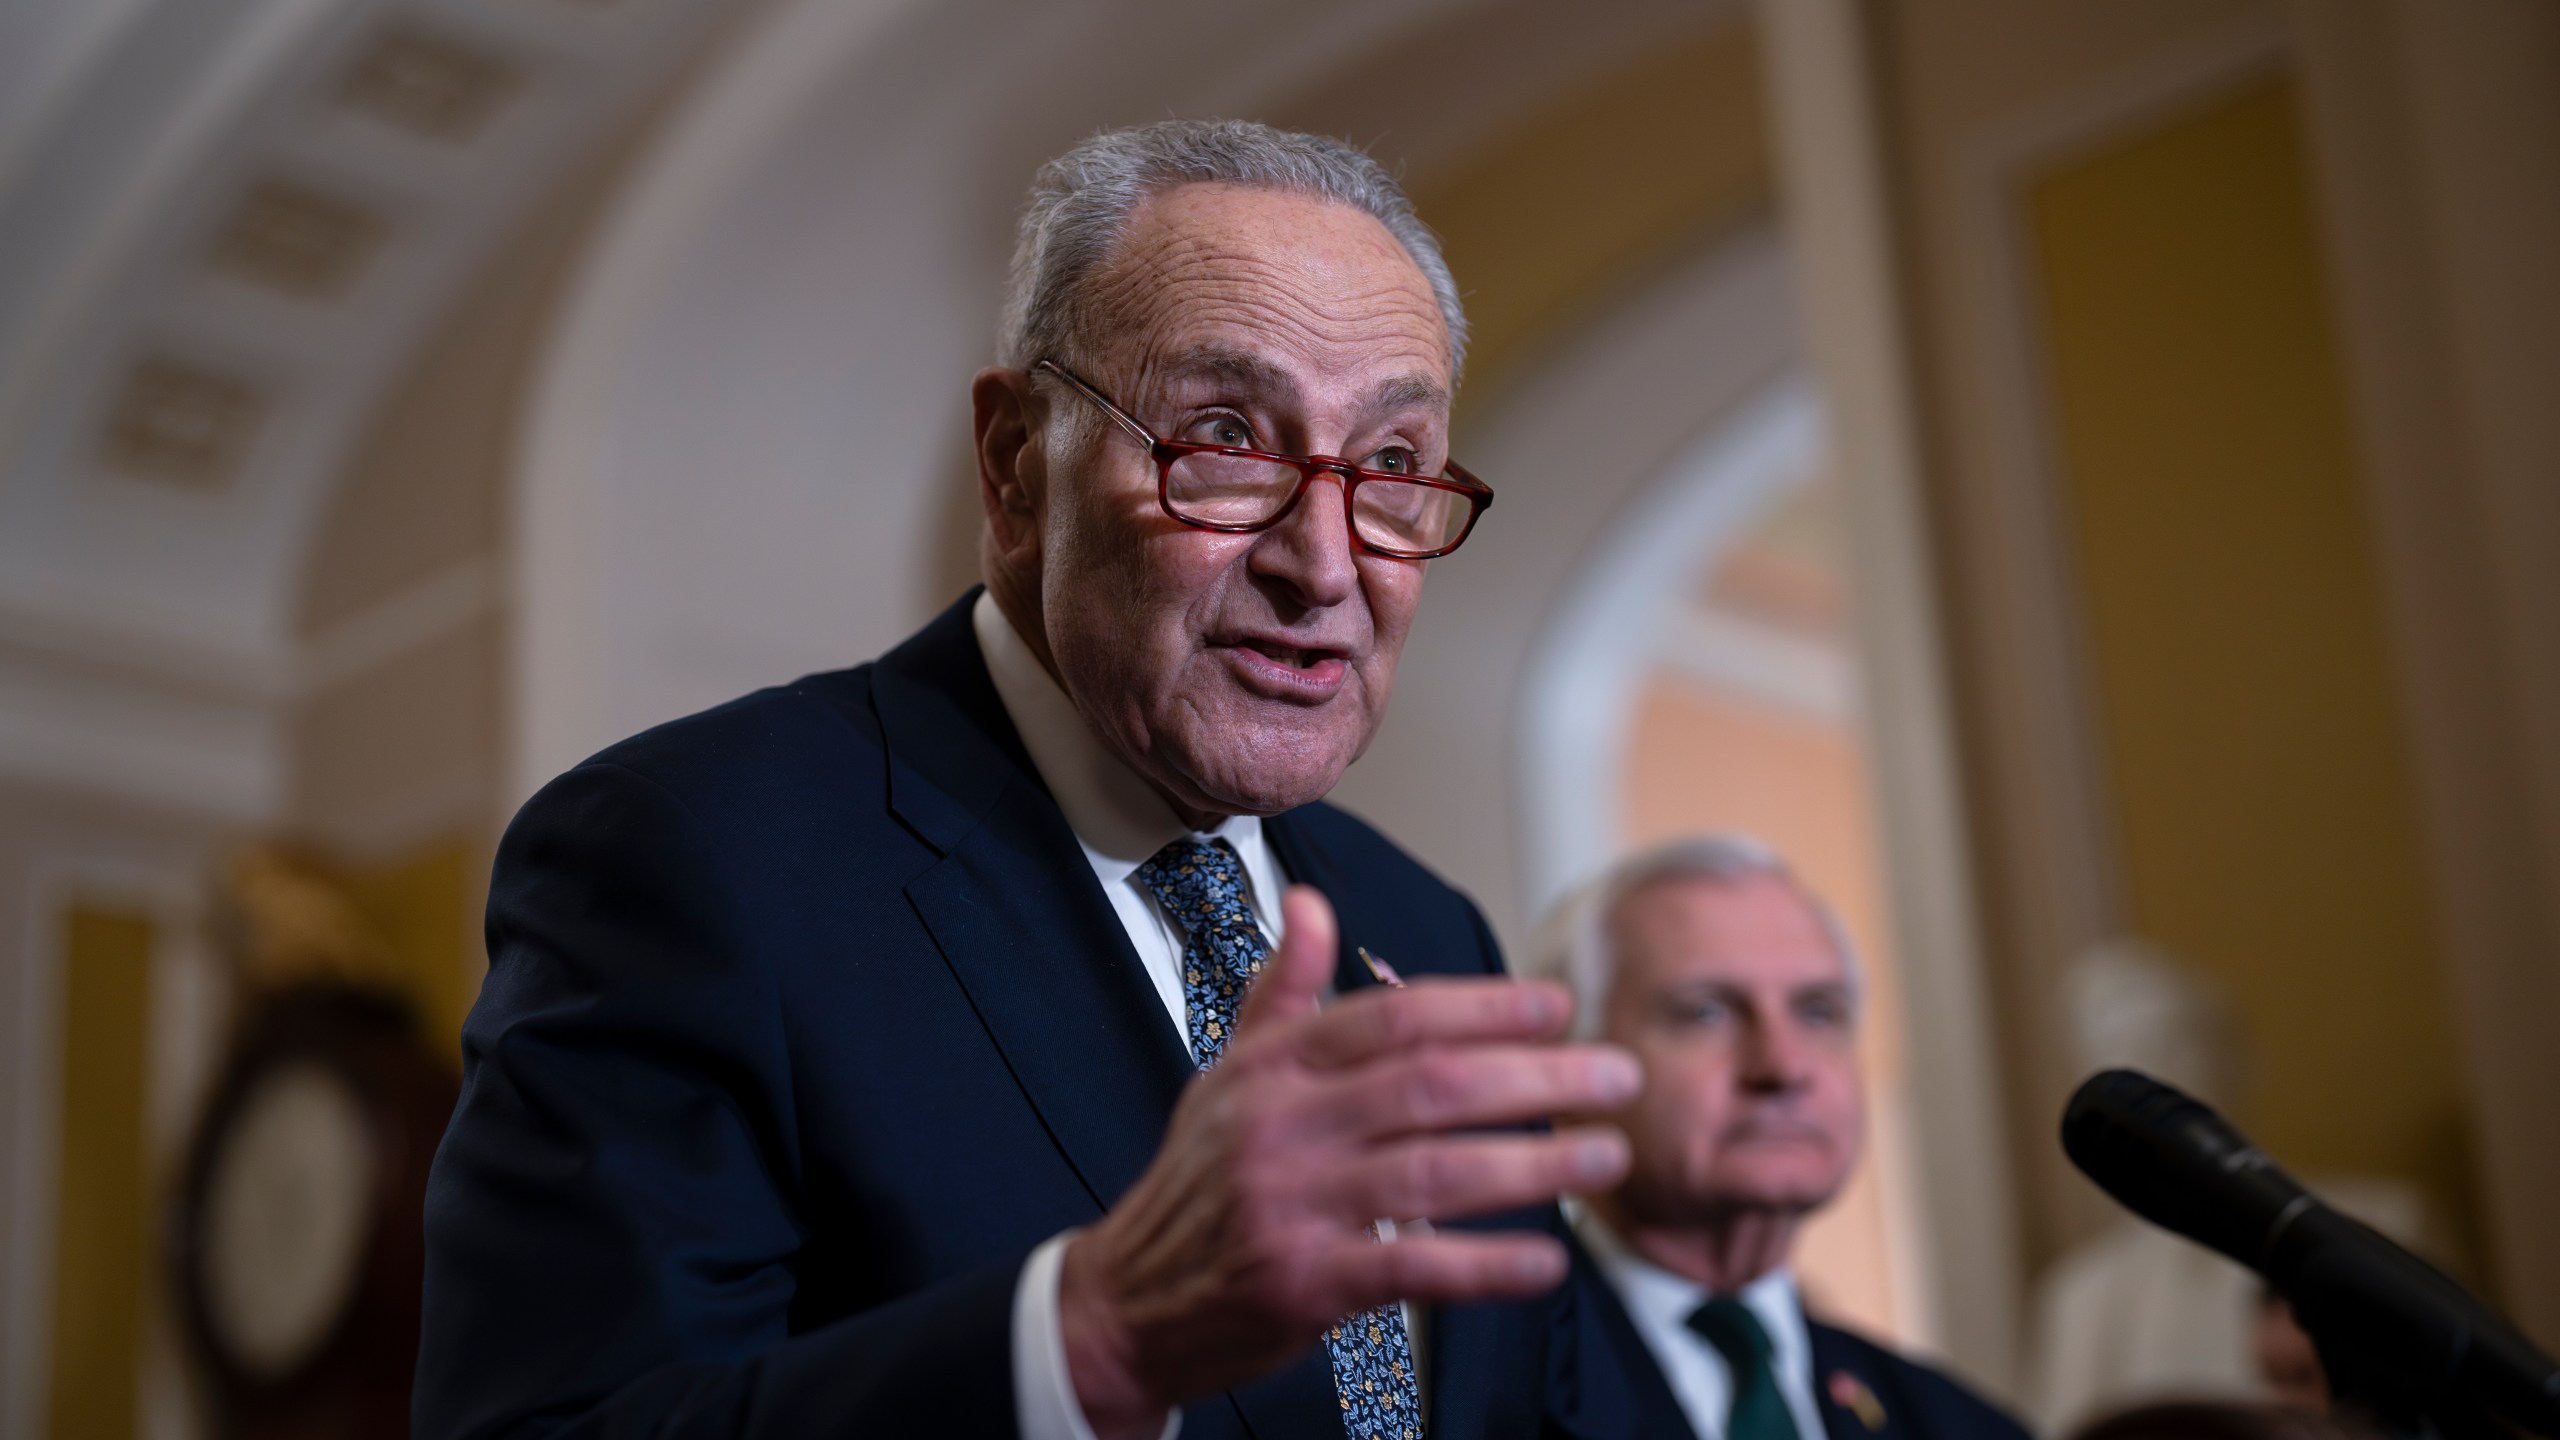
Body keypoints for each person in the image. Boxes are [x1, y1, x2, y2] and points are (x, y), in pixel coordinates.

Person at [414, 119, 1644, 1440]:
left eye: (1391, 466)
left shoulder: (1427, 932)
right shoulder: (694, 859)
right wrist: (1084, 1347)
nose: (1325, 564)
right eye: (1225, 436)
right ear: (1014, 467)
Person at [1527, 837, 2029, 1440]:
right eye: (1705, 1012)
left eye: (1818, 1011)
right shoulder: (1474, 1391)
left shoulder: (1961, 1426)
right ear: (1565, 1075)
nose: (1784, 1066)